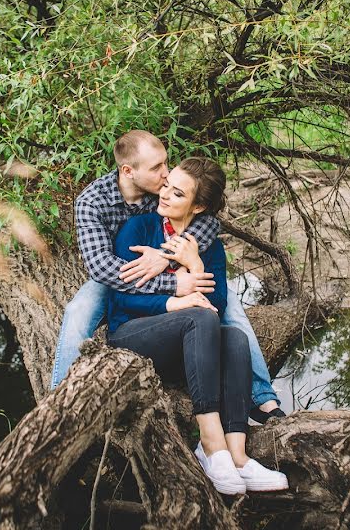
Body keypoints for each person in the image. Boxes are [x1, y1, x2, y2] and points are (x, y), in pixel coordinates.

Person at [50, 130, 284, 423]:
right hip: (115, 275)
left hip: (166, 267)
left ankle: (262, 397)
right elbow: (101, 268)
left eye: (166, 164)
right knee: (79, 310)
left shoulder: (160, 191)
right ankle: (58, 407)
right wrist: (173, 284)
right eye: (157, 167)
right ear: (128, 171)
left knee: (231, 308)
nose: (166, 173)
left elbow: (208, 223)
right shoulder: (92, 202)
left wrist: (165, 256)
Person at [107, 157, 288, 494]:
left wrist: (194, 263)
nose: (164, 195)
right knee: (199, 316)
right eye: (166, 186)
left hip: (183, 351)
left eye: (177, 194)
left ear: (199, 205)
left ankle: (237, 456)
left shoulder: (210, 246)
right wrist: (172, 302)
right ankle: (210, 444)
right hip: (132, 336)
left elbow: (217, 302)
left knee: (233, 337)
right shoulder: (139, 229)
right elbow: (122, 297)